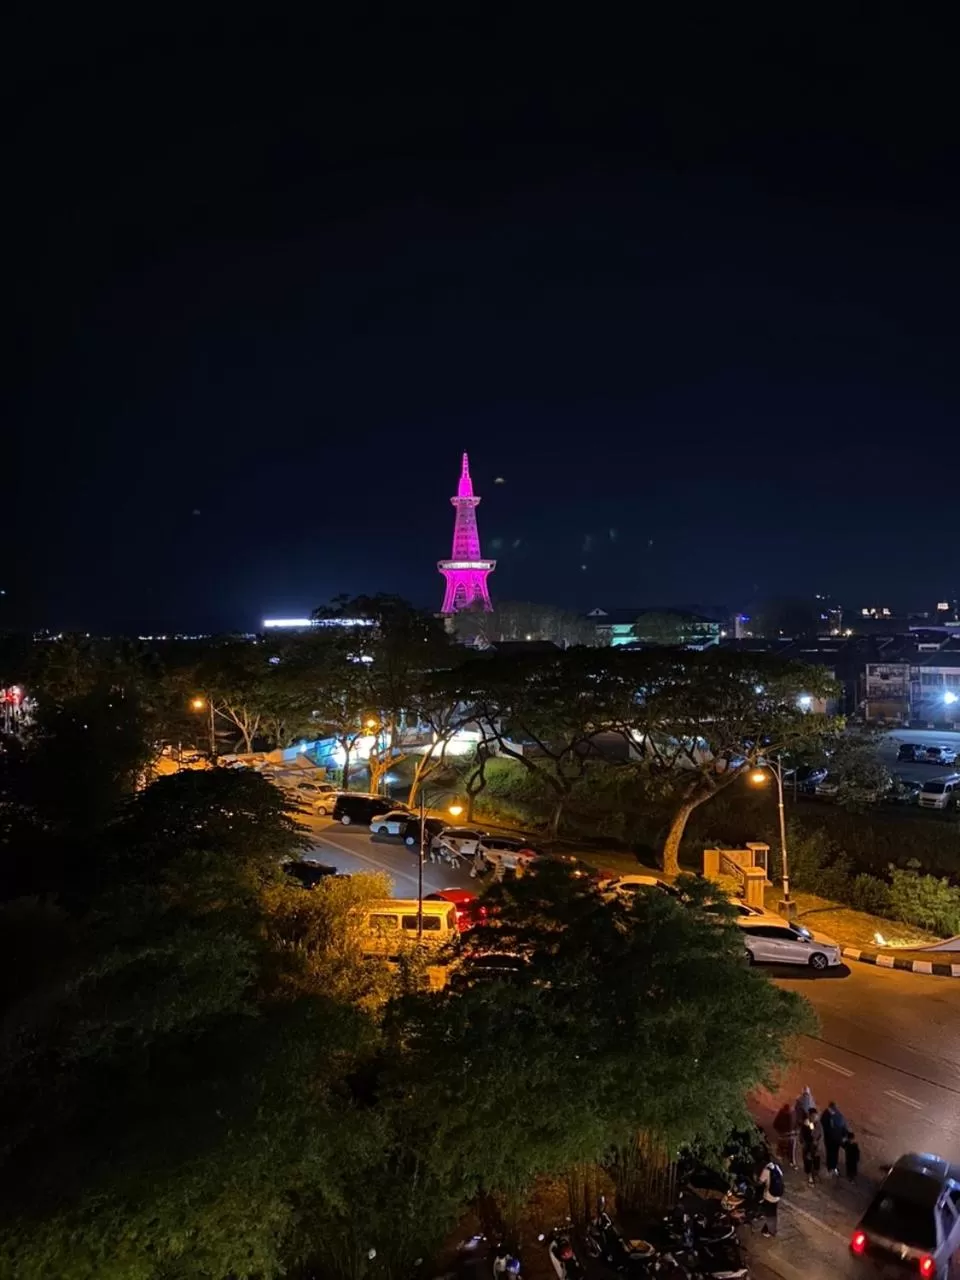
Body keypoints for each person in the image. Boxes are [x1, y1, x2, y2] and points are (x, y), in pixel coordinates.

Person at [757, 1158, 784, 1237]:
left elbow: (760, 1182)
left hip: (769, 1196)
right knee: (773, 1212)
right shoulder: (776, 1167)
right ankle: (769, 1229)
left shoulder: (766, 1170)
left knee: (770, 1214)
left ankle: (770, 1231)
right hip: (777, 1196)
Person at [821, 1102, 848, 1177]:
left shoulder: (839, 1115)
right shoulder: (826, 1115)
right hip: (829, 1140)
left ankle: (834, 1166)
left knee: (835, 1153)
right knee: (829, 1153)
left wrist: (844, 1136)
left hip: (836, 1140)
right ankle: (830, 1167)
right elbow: (823, 1126)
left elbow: (843, 1126)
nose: (832, 1111)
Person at [773, 1102, 799, 1169]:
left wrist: (795, 1131)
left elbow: (797, 1123)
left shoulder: (793, 1113)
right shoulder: (784, 1113)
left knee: (792, 1150)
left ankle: (792, 1162)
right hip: (784, 1136)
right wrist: (781, 1132)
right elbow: (775, 1124)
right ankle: (781, 1163)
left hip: (790, 1136)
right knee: (781, 1150)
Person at [800, 1109, 822, 1186]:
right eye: (813, 1116)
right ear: (809, 1116)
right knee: (808, 1163)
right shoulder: (806, 1125)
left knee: (816, 1162)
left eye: (815, 1116)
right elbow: (803, 1137)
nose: (814, 1117)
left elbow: (819, 1134)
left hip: (816, 1147)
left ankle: (815, 1175)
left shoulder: (816, 1123)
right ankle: (810, 1177)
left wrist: (817, 1141)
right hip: (808, 1147)